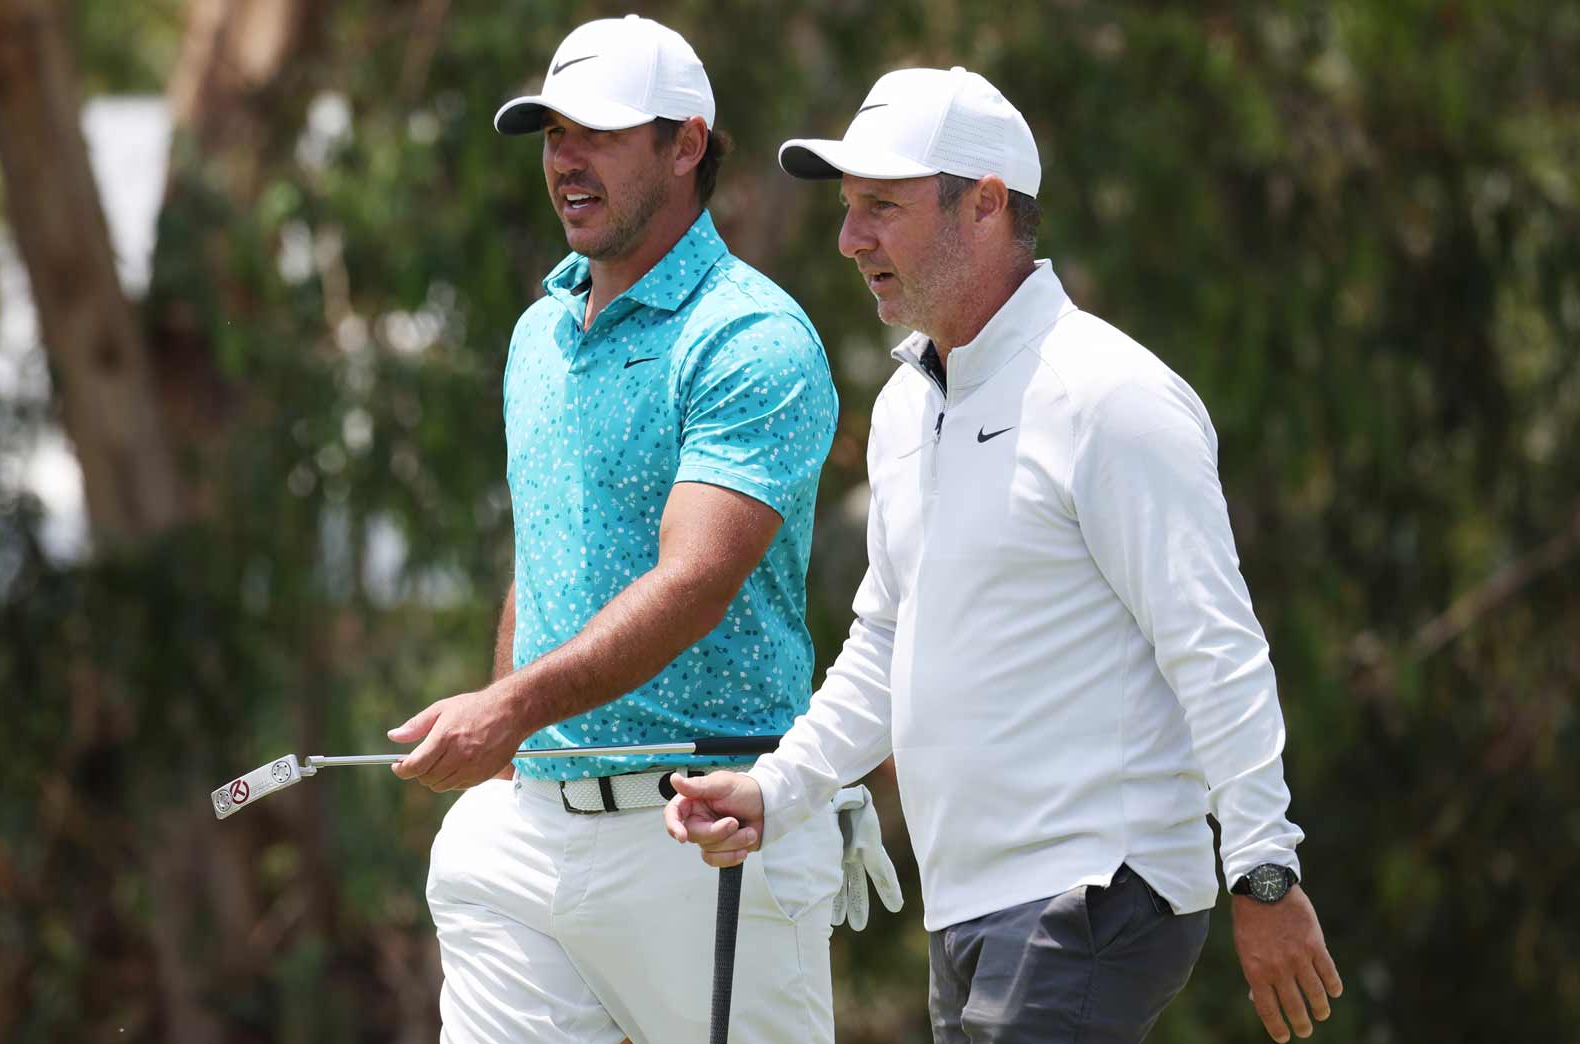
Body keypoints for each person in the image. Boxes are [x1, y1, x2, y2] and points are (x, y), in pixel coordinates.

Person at [666, 66, 1345, 1044]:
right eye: (849, 209)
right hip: (970, 909)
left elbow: (1214, 647)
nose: (850, 237)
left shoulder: (1108, 396)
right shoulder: (908, 405)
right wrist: (780, 786)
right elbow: (886, 642)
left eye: (882, 208)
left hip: (1094, 890)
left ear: (983, 206)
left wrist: (1262, 871)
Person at [386, 15, 861, 1044]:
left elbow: (693, 583)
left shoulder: (747, 336)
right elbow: (548, 549)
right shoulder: (540, 334)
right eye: (552, 133)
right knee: (467, 868)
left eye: (597, 133)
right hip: (530, 840)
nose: (565, 159)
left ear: (685, 144)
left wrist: (505, 708)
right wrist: (514, 753)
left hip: (700, 828)